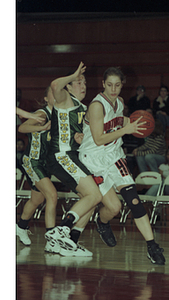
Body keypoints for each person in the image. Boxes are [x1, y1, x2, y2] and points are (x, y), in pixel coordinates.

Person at [79, 67, 166, 265]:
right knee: (115, 207)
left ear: (122, 85)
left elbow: (122, 121)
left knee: (133, 200)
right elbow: (99, 139)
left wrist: (139, 123)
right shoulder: (96, 106)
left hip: (115, 157)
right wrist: (126, 129)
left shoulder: (119, 103)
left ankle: (152, 246)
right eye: (109, 84)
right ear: (103, 84)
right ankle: (102, 223)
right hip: (94, 160)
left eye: (117, 85)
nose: (113, 89)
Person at [45, 62, 103, 256]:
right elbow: (55, 86)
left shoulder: (82, 107)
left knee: (90, 201)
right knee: (95, 195)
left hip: (70, 156)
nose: (83, 85)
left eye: (84, 82)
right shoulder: (65, 100)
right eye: (78, 82)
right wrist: (72, 75)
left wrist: (80, 138)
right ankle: (62, 230)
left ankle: (69, 242)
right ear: (69, 86)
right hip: (61, 155)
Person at [16, 85, 62, 254]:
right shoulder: (43, 114)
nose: (57, 95)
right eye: (52, 93)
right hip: (32, 161)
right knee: (52, 195)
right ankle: (51, 239)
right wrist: (41, 128)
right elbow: (23, 128)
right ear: (45, 98)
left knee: (37, 199)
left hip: (44, 163)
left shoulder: (59, 115)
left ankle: (20, 227)